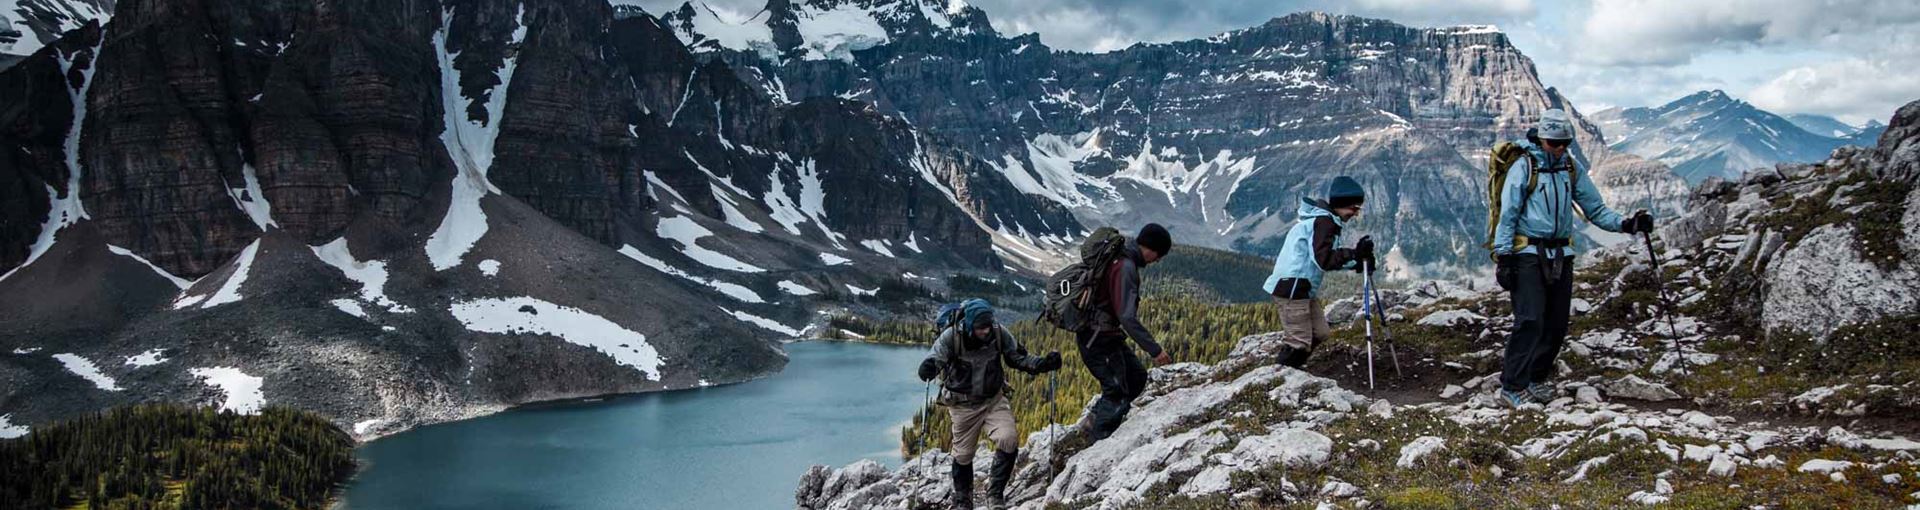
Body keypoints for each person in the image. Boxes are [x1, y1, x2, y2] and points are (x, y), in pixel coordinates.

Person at [1491, 109, 1654, 408]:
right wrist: (1504, 258)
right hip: (1527, 253)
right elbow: (1508, 214)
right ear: (1541, 139)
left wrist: (1628, 224)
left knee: (1556, 323)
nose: (1561, 148)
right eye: (1555, 143)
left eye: (1565, 142)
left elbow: (1596, 209)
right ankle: (1512, 386)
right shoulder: (1524, 167)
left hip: (1561, 255)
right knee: (1530, 319)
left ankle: (1536, 378)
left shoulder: (1570, 167)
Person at [917, 298, 1062, 510]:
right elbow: (935, 358)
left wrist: (1042, 364)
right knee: (963, 455)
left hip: (993, 400)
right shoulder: (952, 337)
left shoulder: (998, 332)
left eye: (987, 327)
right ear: (968, 325)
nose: (985, 332)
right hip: (962, 406)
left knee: (1008, 440)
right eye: (979, 328)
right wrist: (928, 368)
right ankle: (963, 499)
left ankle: (995, 495)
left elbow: (1018, 358)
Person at [1071, 223, 1174, 443]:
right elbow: (1127, 317)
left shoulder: (1119, 257)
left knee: (1136, 377)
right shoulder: (1126, 267)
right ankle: (1098, 441)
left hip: (1104, 335)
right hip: (1098, 339)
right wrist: (1155, 350)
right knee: (1116, 391)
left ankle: (1092, 422)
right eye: (1159, 255)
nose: (1157, 260)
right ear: (1152, 249)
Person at [1260, 176, 1375, 369]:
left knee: (1320, 333)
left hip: (1301, 288)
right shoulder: (1324, 223)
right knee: (1298, 343)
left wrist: (1357, 262)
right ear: (1342, 204)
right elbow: (1324, 260)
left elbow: (1323, 257)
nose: (1355, 214)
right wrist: (1354, 253)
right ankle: (1279, 379)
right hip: (1292, 288)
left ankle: (1296, 367)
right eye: (1354, 208)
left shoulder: (1325, 221)